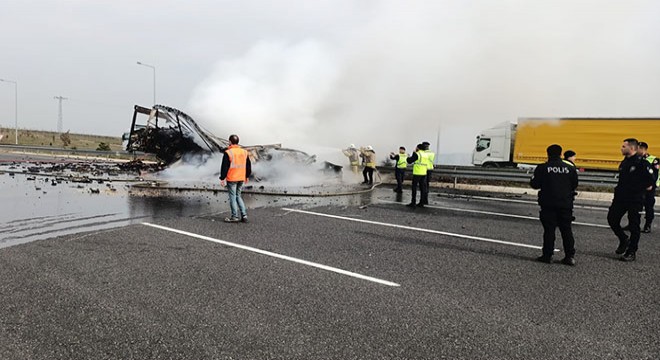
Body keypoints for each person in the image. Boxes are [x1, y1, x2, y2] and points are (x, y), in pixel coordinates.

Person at [530, 144, 579, 265]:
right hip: (565, 203)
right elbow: (574, 184)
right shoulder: (569, 167)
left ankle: (547, 255)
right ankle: (569, 256)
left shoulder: (543, 167)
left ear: (548, 154)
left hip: (548, 203)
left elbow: (535, 184)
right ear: (561, 154)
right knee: (566, 230)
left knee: (549, 230)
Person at [607, 138, 655, 261]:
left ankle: (631, 251)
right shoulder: (624, 163)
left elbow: (650, 182)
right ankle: (623, 239)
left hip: (635, 199)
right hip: (620, 198)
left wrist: (638, 190)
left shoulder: (642, 163)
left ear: (632, 148)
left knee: (634, 226)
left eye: (624, 146)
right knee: (612, 219)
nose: (621, 148)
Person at [219, 134, 252, 223]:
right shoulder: (244, 152)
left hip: (232, 178)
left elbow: (224, 167)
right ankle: (244, 215)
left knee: (233, 197)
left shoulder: (228, 152)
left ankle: (234, 216)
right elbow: (248, 165)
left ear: (230, 142)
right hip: (241, 177)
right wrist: (247, 176)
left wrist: (222, 178)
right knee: (238, 196)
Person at [638, 142, 659, 233]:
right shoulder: (636, 159)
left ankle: (647, 225)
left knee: (648, 207)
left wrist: (652, 185)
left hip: (649, 188)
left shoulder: (654, 160)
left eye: (637, 148)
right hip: (638, 188)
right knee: (635, 206)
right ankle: (634, 223)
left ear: (642, 149)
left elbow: (656, 175)